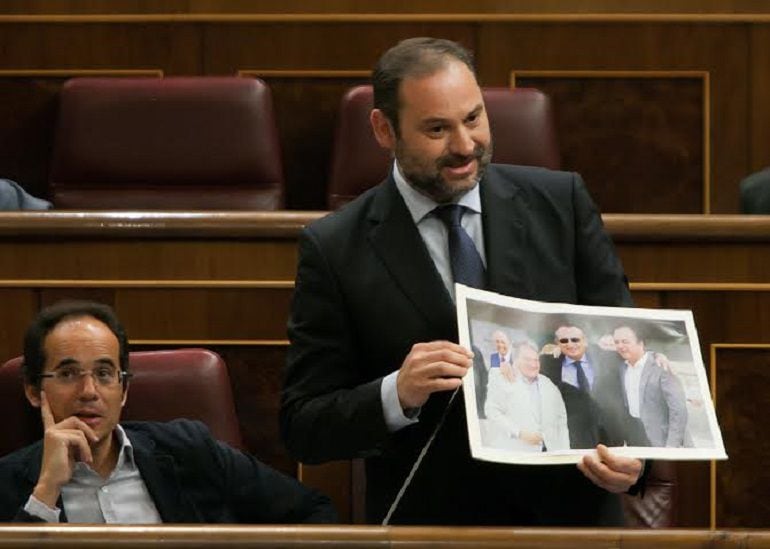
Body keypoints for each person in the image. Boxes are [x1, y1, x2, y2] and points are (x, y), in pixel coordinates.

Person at [281, 36, 642, 526]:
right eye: (437, 129)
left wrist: (635, 459)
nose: (465, 146)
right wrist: (396, 393)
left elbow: (620, 351)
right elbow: (304, 424)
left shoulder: (562, 203)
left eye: (474, 118)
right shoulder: (335, 247)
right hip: (433, 523)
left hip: (570, 520)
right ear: (384, 130)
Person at [0, 301, 336, 524]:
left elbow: (314, 514)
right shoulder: (9, 484)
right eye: (68, 374)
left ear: (125, 389)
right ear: (34, 390)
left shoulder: (189, 450)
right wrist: (45, 492)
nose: (89, 391)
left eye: (105, 374)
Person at [540, 325, 625, 449]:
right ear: (557, 343)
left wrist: (656, 356)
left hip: (609, 434)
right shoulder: (547, 363)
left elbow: (635, 355)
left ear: (585, 341)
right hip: (572, 436)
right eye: (564, 341)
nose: (570, 344)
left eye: (575, 340)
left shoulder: (607, 357)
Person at [485, 340, 569, 452]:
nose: (533, 364)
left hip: (548, 454)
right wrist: (519, 433)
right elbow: (492, 412)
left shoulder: (548, 384)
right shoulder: (502, 378)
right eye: (527, 359)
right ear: (516, 360)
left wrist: (564, 451)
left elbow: (561, 419)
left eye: (536, 360)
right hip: (514, 452)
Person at [613, 325, 688, 447]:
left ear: (641, 342)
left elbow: (679, 411)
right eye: (617, 342)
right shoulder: (623, 367)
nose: (620, 346)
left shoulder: (661, 366)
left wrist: (671, 447)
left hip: (661, 440)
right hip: (635, 439)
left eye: (625, 342)